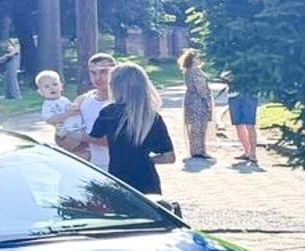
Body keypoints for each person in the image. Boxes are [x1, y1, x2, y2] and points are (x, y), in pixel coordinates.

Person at [90, 63, 175, 194]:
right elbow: (169, 157)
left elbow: (94, 136)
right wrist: (145, 159)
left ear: (115, 87)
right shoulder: (152, 117)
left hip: (118, 179)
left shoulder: (109, 113)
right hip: (147, 180)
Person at [71, 52, 116, 170]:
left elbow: (119, 141)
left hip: (119, 168)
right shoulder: (82, 101)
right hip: (91, 168)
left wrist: (83, 137)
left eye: (103, 72)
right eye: (93, 72)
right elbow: (64, 137)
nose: (98, 77)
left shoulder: (123, 102)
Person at [35, 69, 88, 155]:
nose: (52, 88)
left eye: (55, 84)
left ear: (61, 86)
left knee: (86, 150)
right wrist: (67, 114)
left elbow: (71, 110)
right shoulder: (48, 105)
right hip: (67, 133)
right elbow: (50, 120)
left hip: (79, 129)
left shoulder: (64, 100)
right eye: (46, 86)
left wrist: (74, 107)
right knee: (77, 153)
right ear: (41, 92)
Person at [179, 49, 213, 162]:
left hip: (191, 100)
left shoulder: (190, 70)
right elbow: (201, 88)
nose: (199, 59)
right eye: (197, 57)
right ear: (192, 59)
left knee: (196, 126)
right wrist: (208, 100)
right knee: (199, 126)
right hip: (198, 101)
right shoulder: (194, 71)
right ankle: (199, 151)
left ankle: (197, 150)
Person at [224, 71, 261, 167]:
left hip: (249, 94)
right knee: (238, 124)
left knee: (250, 124)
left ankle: (253, 153)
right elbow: (224, 74)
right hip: (233, 94)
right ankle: (247, 151)